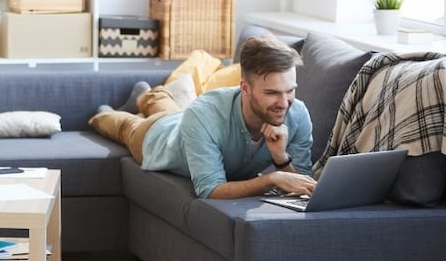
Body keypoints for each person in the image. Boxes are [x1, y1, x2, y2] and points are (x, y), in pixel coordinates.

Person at [91, 34, 317, 199]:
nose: (284, 102)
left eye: (290, 91)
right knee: (123, 125)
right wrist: (271, 179)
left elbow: (302, 183)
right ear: (244, 88)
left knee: (174, 111)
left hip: (185, 121)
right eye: (272, 93)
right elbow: (210, 189)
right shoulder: (202, 115)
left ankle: (147, 96)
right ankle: (111, 111)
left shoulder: (297, 114)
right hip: (158, 136)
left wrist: (281, 159)